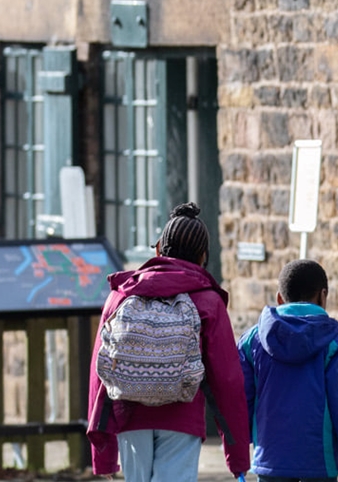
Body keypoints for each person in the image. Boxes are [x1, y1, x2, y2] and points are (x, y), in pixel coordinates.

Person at [86, 202, 250, 482]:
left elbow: (99, 375)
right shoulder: (208, 301)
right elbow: (226, 381)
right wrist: (237, 457)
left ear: (159, 249)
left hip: (129, 417)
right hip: (182, 419)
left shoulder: (121, 296)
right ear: (203, 257)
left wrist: (103, 453)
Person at [237, 259, 338, 482]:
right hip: (320, 465)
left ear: (280, 298)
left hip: (269, 462)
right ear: (323, 296)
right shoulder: (335, 344)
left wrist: (237, 457)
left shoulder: (252, 342)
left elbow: (239, 404)